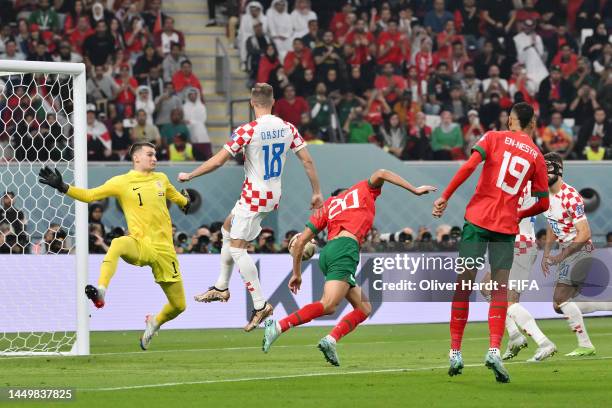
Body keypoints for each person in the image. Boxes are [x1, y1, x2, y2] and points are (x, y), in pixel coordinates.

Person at [177, 83, 323, 332]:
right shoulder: (288, 127)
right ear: (274, 101)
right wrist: (317, 192)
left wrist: (191, 175)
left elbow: (218, 161)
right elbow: (307, 160)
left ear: (252, 103)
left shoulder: (247, 130)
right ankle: (221, 287)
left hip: (255, 194)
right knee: (226, 229)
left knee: (237, 249)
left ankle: (260, 305)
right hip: (270, 193)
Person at [261, 169, 436, 364]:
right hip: (345, 249)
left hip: (329, 252)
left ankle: (331, 339)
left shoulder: (328, 206)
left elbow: (301, 242)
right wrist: (415, 189)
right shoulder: (362, 190)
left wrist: (297, 273)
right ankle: (278, 326)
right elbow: (383, 172)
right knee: (328, 305)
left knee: (364, 308)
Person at [432, 102, 549, 383]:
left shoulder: (493, 137)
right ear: (532, 124)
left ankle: (455, 352)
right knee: (500, 291)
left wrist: (445, 196)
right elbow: (543, 201)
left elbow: (469, 166)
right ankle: (494, 349)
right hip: (505, 230)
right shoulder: (537, 156)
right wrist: (519, 212)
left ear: (510, 121)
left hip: (477, 221)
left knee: (464, 285)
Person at [38, 142, 191, 350]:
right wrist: (63, 187)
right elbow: (90, 195)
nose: (155, 158)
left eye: (155, 155)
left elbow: (181, 200)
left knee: (179, 305)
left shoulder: (161, 179)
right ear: (136, 158)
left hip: (165, 250)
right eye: (150, 154)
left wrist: (185, 202)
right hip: (140, 243)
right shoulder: (121, 182)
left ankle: (154, 322)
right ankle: (101, 291)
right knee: (118, 243)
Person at [541, 153, 612, 356]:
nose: (543, 173)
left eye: (547, 169)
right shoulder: (546, 196)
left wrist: (562, 255)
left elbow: (585, 233)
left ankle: (586, 345)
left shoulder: (571, 195)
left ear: (558, 170)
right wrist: (547, 251)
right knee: (558, 305)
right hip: (567, 251)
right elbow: (551, 223)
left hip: (581, 250)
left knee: (560, 298)